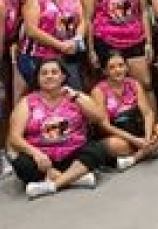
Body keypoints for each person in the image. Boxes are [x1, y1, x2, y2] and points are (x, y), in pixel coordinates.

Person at [7, 59, 113, 199]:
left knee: (98, 149)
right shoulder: (27, 102)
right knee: (22, 164)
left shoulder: (75, 96)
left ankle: (52, 185)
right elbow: (14, 137)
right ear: (38, 79)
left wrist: (75, 98)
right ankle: (74, 179)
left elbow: (98, 118)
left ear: (63, 77)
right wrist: (35, 153)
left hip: (73, 154)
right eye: (44, 73)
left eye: (54, 72)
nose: (49, 76)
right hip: (43, 159)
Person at [92, 51, 158, 169]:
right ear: (105, 71)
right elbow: (105, 125)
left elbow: (148, 113)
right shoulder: (98, 90)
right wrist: (135, 140)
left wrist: (147, 137)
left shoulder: (134, 84)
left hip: (138, 129)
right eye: (112, 67)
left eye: (121, 65)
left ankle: (134, 158)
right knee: (113, 145)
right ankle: (153, 149)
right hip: (119, 136)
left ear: (126, 67)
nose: (118, 70)